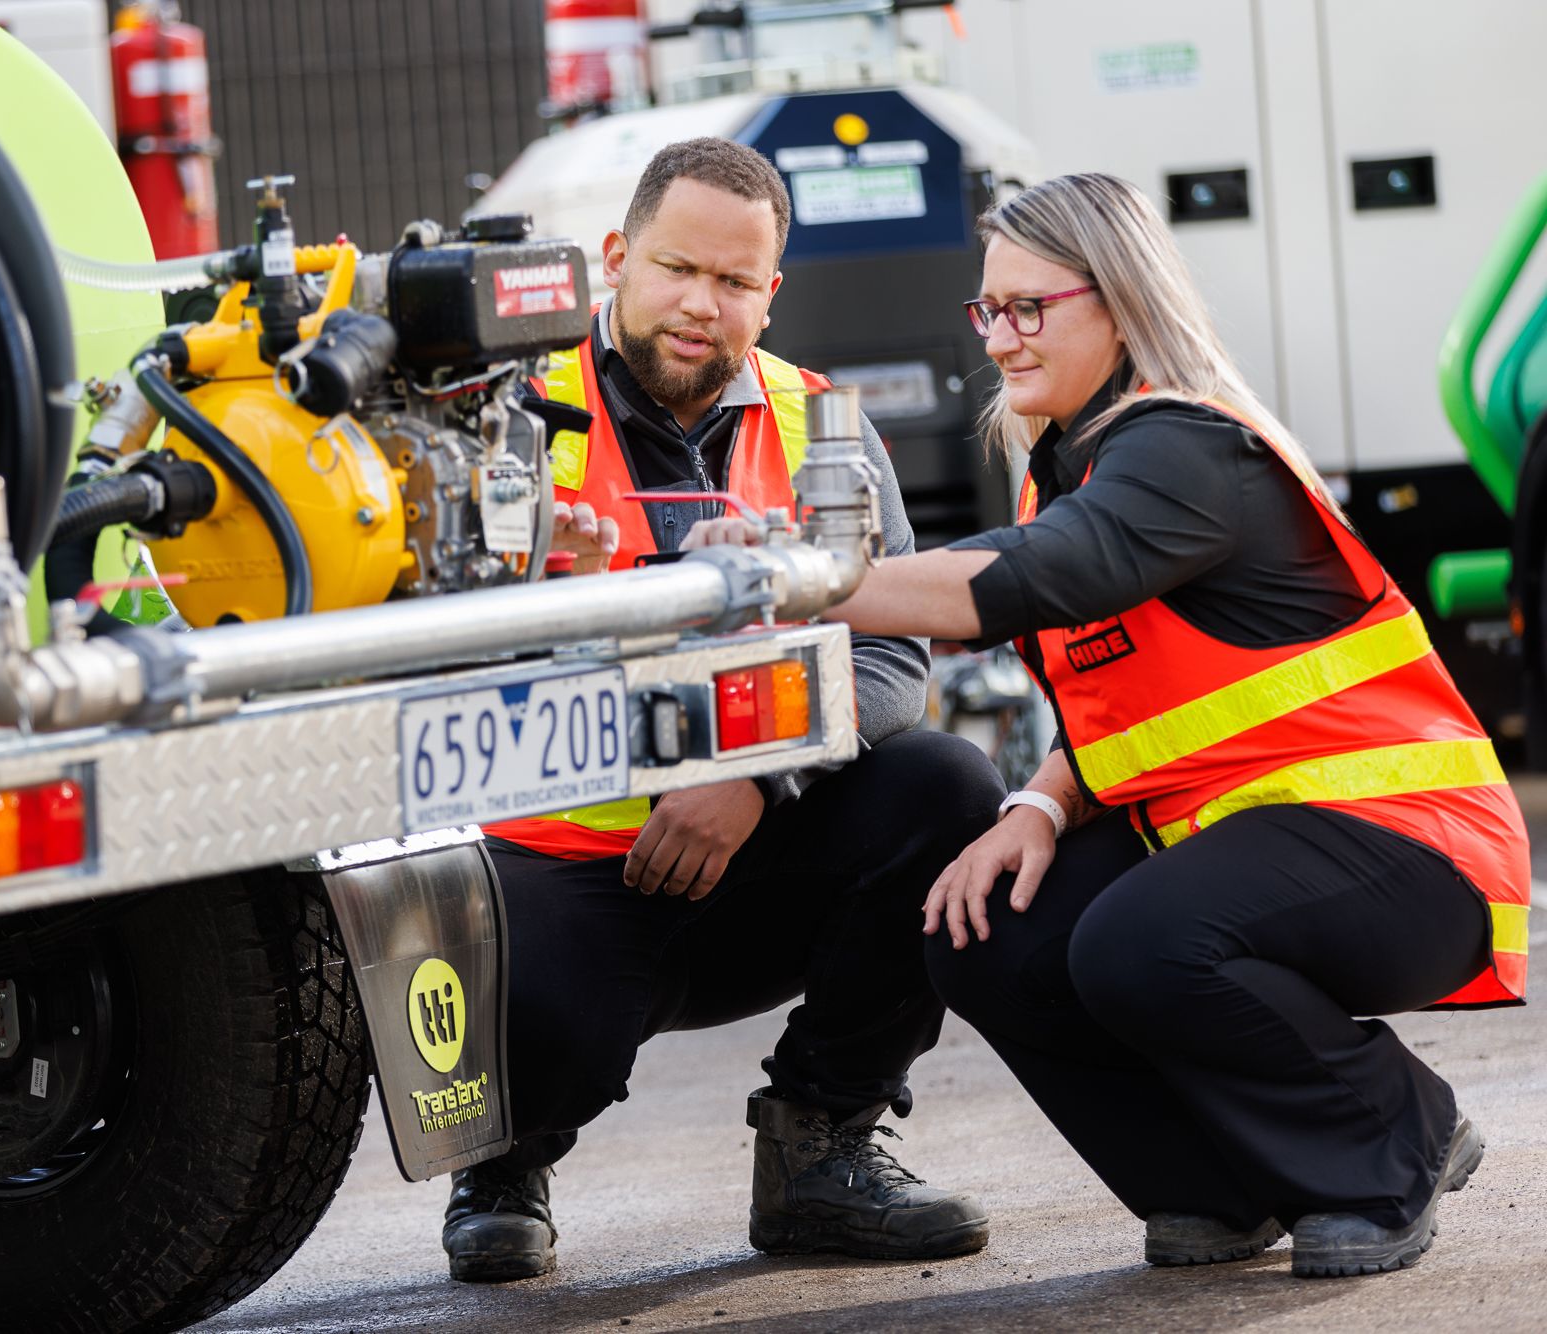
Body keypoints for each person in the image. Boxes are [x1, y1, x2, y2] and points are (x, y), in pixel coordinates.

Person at [685, 172, 1531, 1279]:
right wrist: (1037, 802)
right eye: (987, 310)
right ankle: (1218, 1187)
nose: (1000, 339)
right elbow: (1127, 707)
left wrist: (799, 579)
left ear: (1121, 301)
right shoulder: (1068, 471)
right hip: (1246, 843)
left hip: (1409, 846)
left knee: (1136, 940)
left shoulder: (1188, 450)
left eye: (1029, 307)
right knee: (977, 927)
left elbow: (1032, 577)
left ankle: (1389, 1138)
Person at [438, 138, 1008, 1283]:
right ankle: (503, 1157)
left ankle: (819, 1149)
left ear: (769, 291)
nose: (701, 305)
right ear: (615, 259)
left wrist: (757, 779)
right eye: (675, 269)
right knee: (544, 1015)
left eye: (734, 282)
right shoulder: (495, 414)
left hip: (749, 843)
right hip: (556, 863)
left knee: (947, 789)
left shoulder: (819, 424)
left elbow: (893, 652)